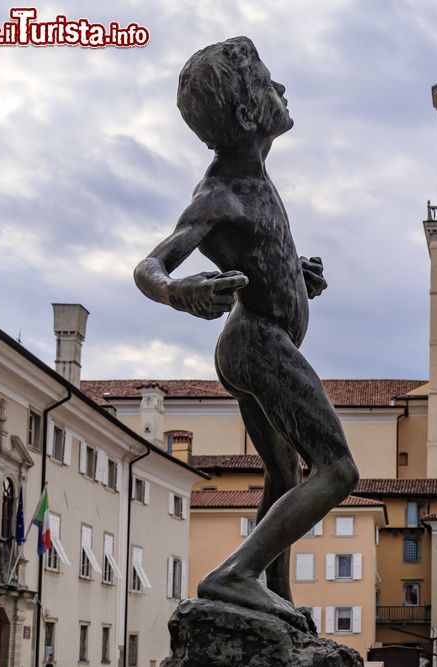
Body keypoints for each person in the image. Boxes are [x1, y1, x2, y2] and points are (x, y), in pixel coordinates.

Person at [134, 36, 358, 630]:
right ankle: (235, 574)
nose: (281, 89)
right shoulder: (220, 193)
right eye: (268, 83)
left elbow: (261, 255)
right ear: (247, 114)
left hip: (254, 339)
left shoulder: (254, 176)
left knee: (286, 475)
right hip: (255, 342)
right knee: (337, 470)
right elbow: (149, 267)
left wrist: (292, 275)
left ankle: (276, 597)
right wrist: (182, 292)